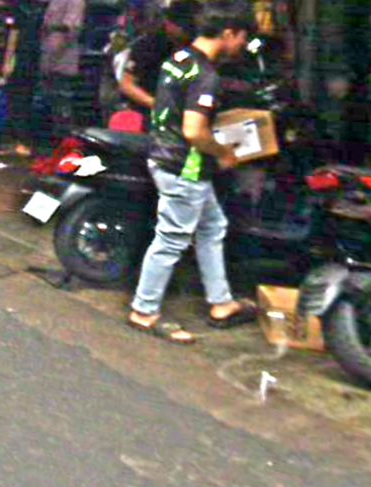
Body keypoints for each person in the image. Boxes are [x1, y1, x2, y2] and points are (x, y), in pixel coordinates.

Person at [128, 0, 258, 344]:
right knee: (171, 239)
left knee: (213, 226)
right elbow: (194, 131)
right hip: (185, 167)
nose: (243, 45)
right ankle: (144, 310)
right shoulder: (206, 76)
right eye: (243, 37)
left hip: (163, 156)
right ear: (228, 33)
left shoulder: (178, 59)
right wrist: (224, 152)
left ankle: (221, 303)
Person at [118, 0, 200, 128]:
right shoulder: (149, 45)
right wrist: (157, 104)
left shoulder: (196, 44)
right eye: (183, 27)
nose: (186, 32)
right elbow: (127, 85)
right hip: (147, 112)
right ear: (169, 23)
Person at [0, 0, 46, 157]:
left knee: (17, 101)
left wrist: (7, 62)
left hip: (20, 60)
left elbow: (13, 38)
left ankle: (23, 143)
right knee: (24, 100)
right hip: (33, 59)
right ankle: (21, 142)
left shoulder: (17, 10)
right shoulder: (35, 10)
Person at [39, 0, 85, 143]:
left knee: (62, 101)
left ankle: (66, 141)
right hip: (48, 56)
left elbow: (71, 27)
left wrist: (55, 53)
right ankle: (55, 139)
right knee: (51, 100)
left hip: (63, 59)